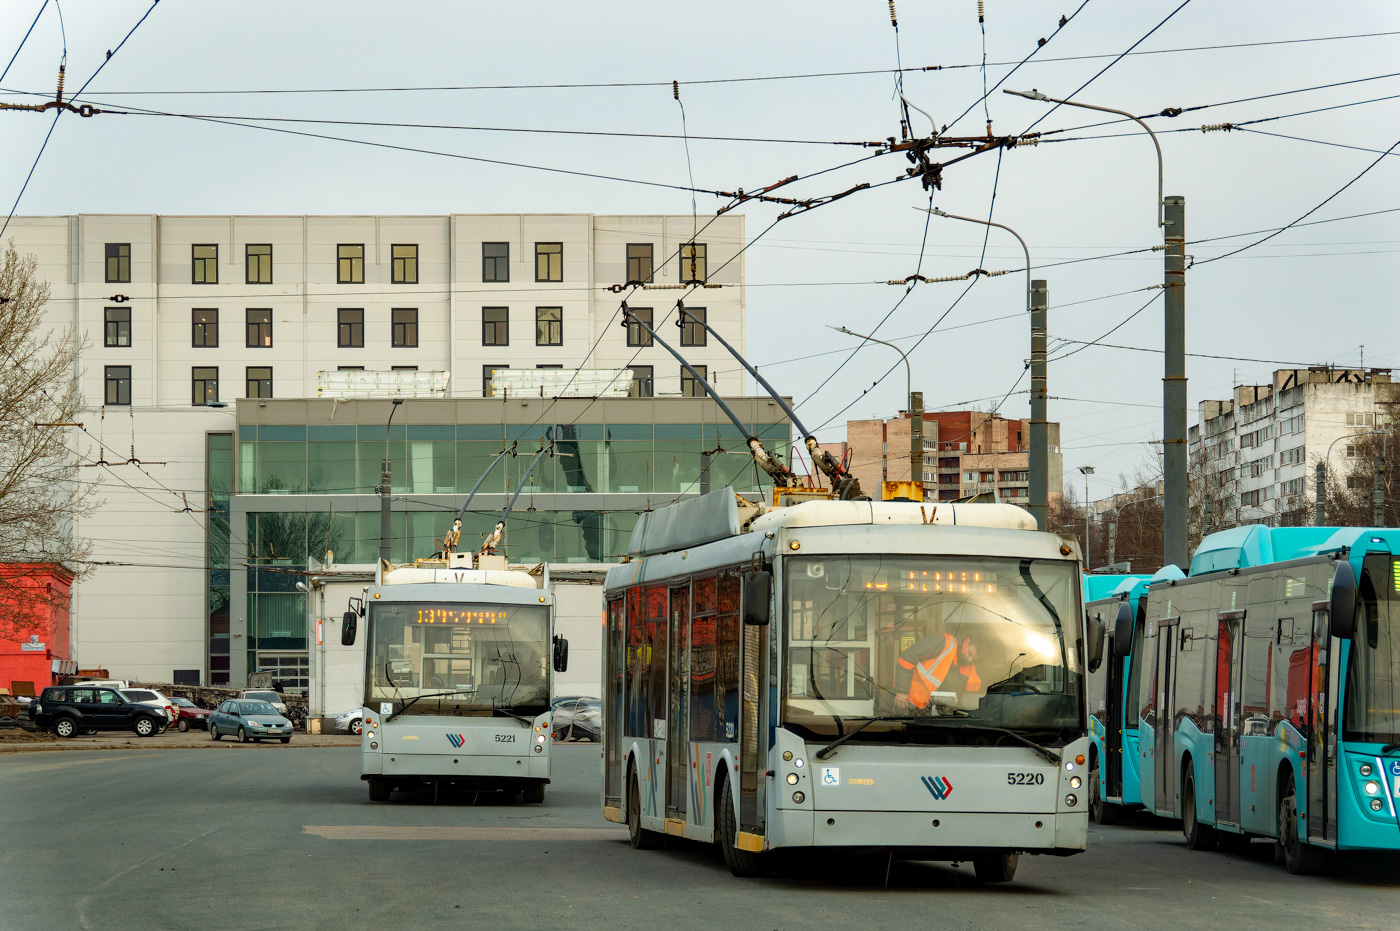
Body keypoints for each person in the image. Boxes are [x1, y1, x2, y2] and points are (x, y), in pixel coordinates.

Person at [895, 632, 982, 711]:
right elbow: (908, 656)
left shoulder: (968, 665)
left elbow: (972, 694)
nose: (970, 660)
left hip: (928, 710)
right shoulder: (943, 641)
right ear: (967, 641)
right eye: (970, 653)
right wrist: (902, 691)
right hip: (906, 700)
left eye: (974, 658)